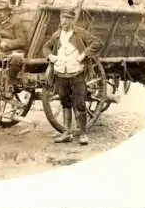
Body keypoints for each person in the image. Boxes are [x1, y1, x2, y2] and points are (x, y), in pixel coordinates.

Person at [42, 8, 103, 145]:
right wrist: (51, 57)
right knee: (65, 103)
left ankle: (83, 134)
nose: (63, 22)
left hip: (76, 74)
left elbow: (97, 43)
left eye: (67, 19)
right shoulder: (57, 35)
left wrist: (83, 55)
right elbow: (45, 47)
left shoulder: (79, 33)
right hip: (60, 74)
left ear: (71, 20)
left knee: (80, 104)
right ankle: (66, 133)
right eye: (62, 19)